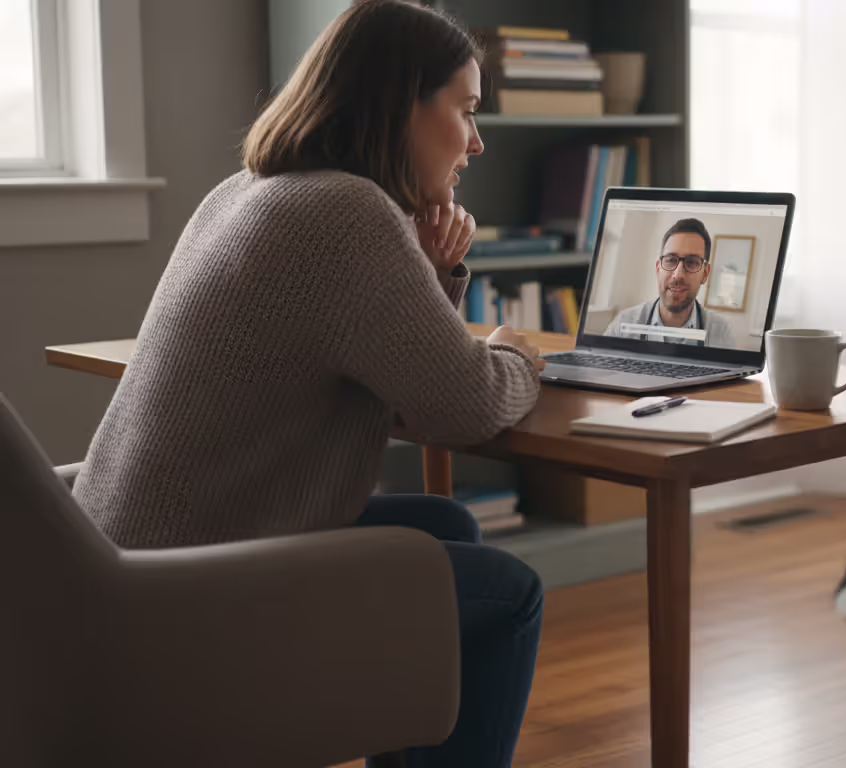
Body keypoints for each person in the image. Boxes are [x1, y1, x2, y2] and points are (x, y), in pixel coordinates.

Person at [72, 3, 543, 766]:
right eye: (465, 110)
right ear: (402, 107)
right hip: (190, 599)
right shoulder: (346, 213)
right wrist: (517, 355)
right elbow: (467, 405)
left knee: (445, 529)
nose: (477, 142)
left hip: (117, 571)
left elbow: (393, 373)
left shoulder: (245, 192)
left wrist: (425, 275)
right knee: (510, 594)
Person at [603, 218, 739, 348]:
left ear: (704, 274)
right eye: (670, 260)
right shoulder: (623, 325)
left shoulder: (721, 334)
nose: (678, 275)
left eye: (691, 262)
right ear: (658, 268)